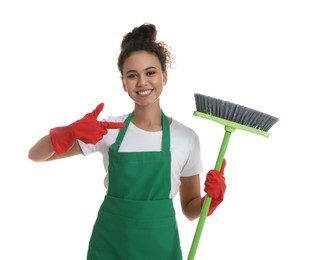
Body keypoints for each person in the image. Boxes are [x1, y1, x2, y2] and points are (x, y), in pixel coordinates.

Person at [28, 23, 226, 260]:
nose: (142, 82)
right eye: (132, 75)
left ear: (164, 76)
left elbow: (190, 209)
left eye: (150, 72)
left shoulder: (186, 138)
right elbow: (36, 155)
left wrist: (210, 201)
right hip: (110, 246)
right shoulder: (108, 130)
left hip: (160, 249)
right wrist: (68, 132)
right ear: (124, 83)